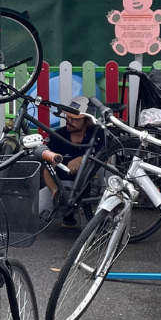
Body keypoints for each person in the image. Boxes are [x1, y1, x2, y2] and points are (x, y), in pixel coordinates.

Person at [41, 96, 100, 227]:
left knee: (109, 173)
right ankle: (67, 214)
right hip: (63, 186)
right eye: (68, 117)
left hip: (91, 186)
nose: (69, 121)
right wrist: (55, 190)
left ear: (87, 120)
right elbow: (48, 169)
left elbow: (106, 158)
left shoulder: (98, 134)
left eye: (75, 119)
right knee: (40, 206)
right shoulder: (57, 136)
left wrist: (83, 159)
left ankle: (103, 222)